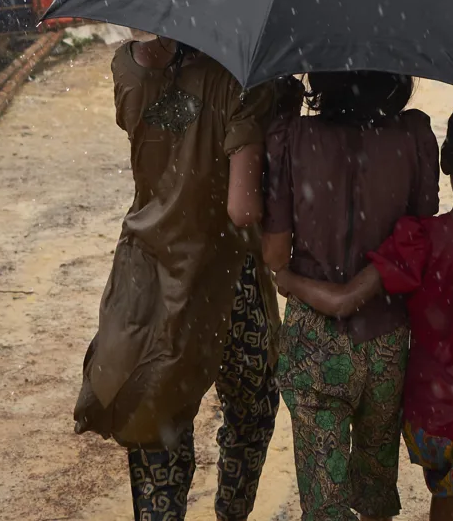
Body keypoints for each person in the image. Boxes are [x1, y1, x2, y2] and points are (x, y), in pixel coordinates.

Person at [278, 98, 453, 521]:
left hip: (431, 420)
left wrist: (287, 279)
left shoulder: (420, 241)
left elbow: (346, 299)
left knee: (449, 481)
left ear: (446, 161)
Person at [76, 32, 299, 521]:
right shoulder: (237, 85)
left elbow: (160, 128)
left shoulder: (126, 66)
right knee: (251, 409)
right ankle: (231, 510)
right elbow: (241, 211)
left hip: (146, 275)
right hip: (226, 284)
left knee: (155, 417)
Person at [261, 71, 438, 521]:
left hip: (313, 343)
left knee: (325, 497)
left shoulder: (292, 138)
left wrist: (300, 279)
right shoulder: (413, 136)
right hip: (386, 337)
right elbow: (420, 233)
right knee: (377, 474)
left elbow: (276, 253)